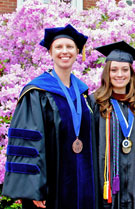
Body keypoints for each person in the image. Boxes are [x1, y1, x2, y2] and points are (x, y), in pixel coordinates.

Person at [2, 24, 99, 209]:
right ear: (50, 52)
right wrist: (34, 189)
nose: (65, 51)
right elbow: (27, 143)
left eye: (70, 47)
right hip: (51, 186)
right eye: (59, 47)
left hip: (83, 181)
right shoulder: (36, 92)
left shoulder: (82, 93)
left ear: (78, 51)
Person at [90, 41, 135, 209]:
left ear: (131, 74)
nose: (119, 74)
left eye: (125, 70)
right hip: (105, 185)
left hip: (132, 185)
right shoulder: (96, 103)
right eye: (114, 70)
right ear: (106, 73)